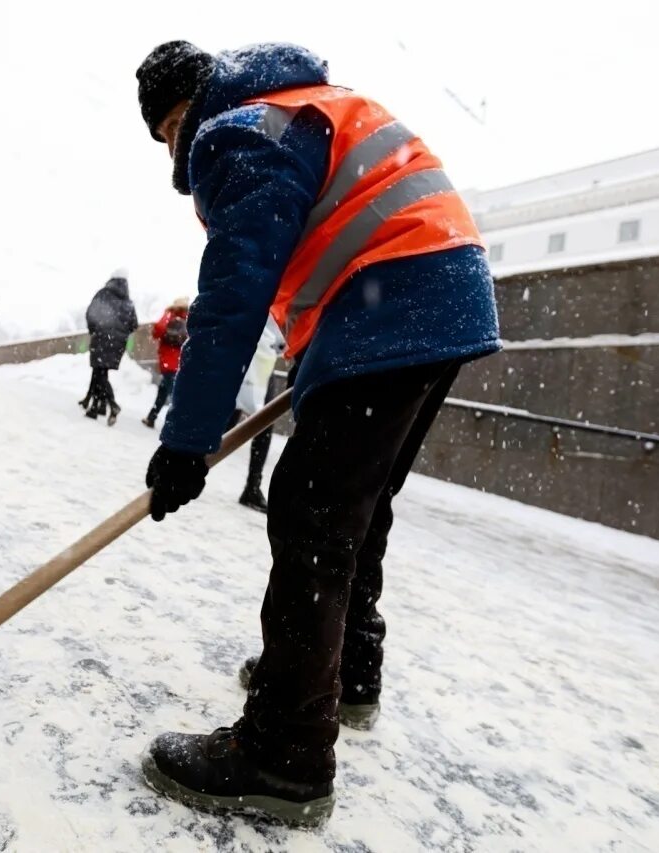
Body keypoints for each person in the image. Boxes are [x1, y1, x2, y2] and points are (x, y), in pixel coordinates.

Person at [134, 41, 501, 825]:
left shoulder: (238, 131)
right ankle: (346, 675)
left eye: (169, 126)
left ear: (191, 104)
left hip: (391, 295)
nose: (175, 146)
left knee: (310, 513)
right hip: (443, 293)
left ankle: (285, 754)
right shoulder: (306, 107)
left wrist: (188, 438)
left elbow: (234, 293)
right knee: (353, 508)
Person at [228, 316, 284, 512]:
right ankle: (192, 465)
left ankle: (253, 485)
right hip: (246, 352)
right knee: (228, 418)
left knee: (265, 421)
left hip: (264, 360)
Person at [81, 270, 138, 426]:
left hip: (101, 338)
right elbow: (134, 324)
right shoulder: (128, 302)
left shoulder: (103, 294)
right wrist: (120, 334)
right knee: (101, 372)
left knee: (99, 374)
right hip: (117, 344)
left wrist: (94, 329)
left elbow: (90, 312)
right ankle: (97, 408)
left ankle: (112, 405)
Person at [142, 298, 189, 428]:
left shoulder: (170, 316)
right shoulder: (189, 319)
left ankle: (174, 425)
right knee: (167, 392)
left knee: (172, 394)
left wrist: (167, 313)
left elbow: (157, 330)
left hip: (169, 362)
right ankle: (153, 418)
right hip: (180, 363)